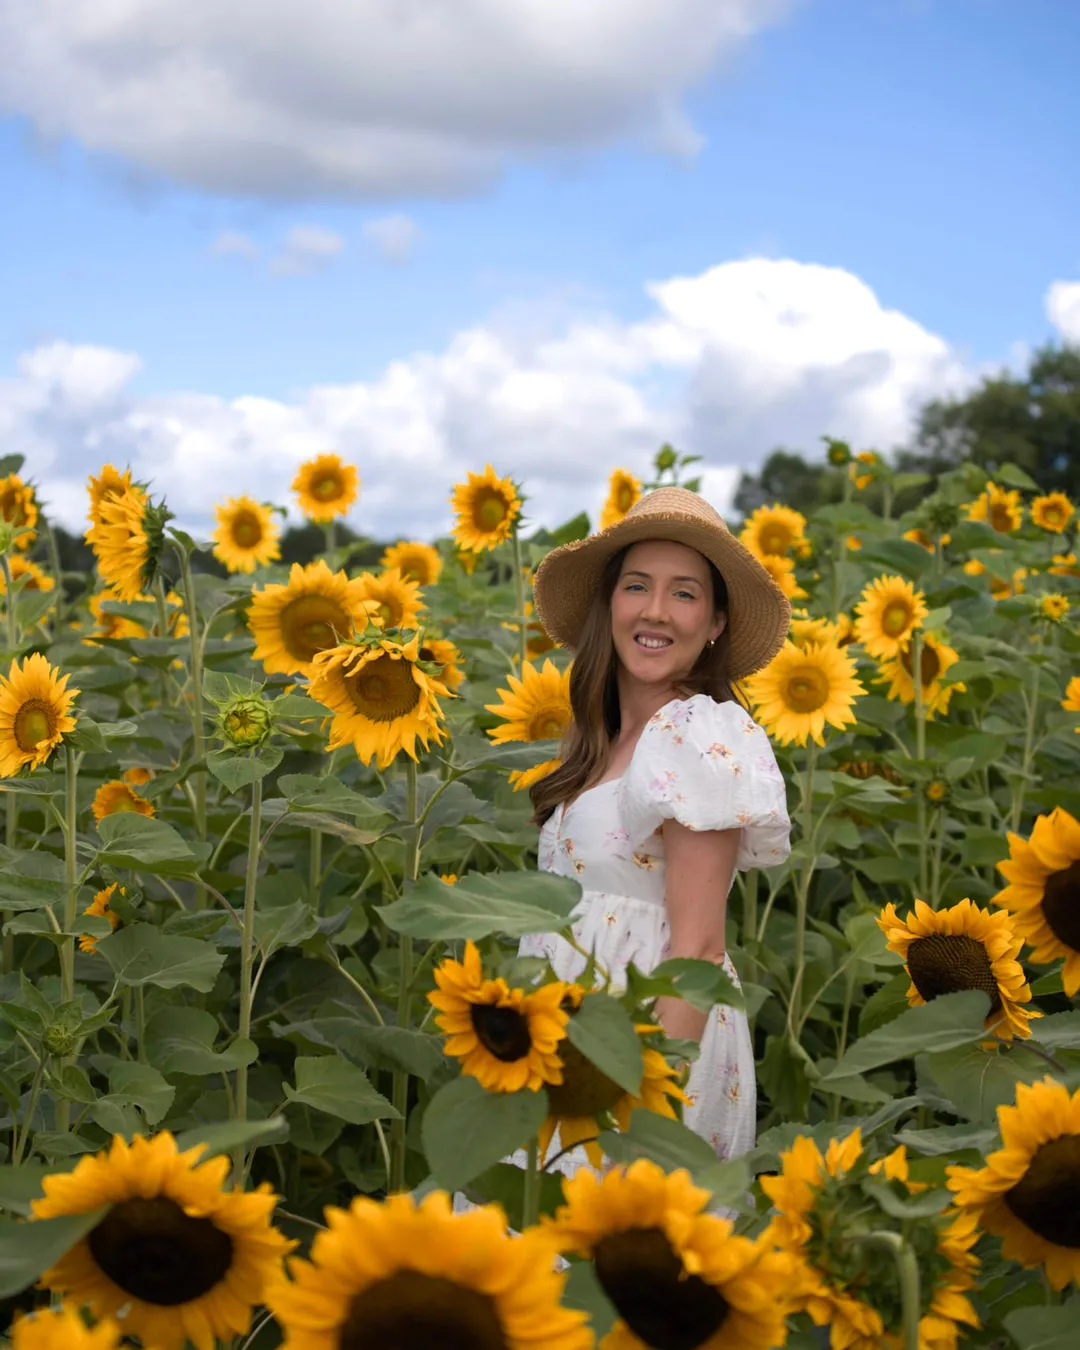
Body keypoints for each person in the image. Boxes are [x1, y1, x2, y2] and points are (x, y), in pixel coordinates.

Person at [524, 484, 793, 1173]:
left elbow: (699, 953)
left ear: (715, 623)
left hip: (641, 1055)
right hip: (567, 1046)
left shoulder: (697, 736)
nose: (654, 611)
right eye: (637, 586)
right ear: (608, 605)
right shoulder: (604, 745)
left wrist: (640, 1116)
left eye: (684, 593)